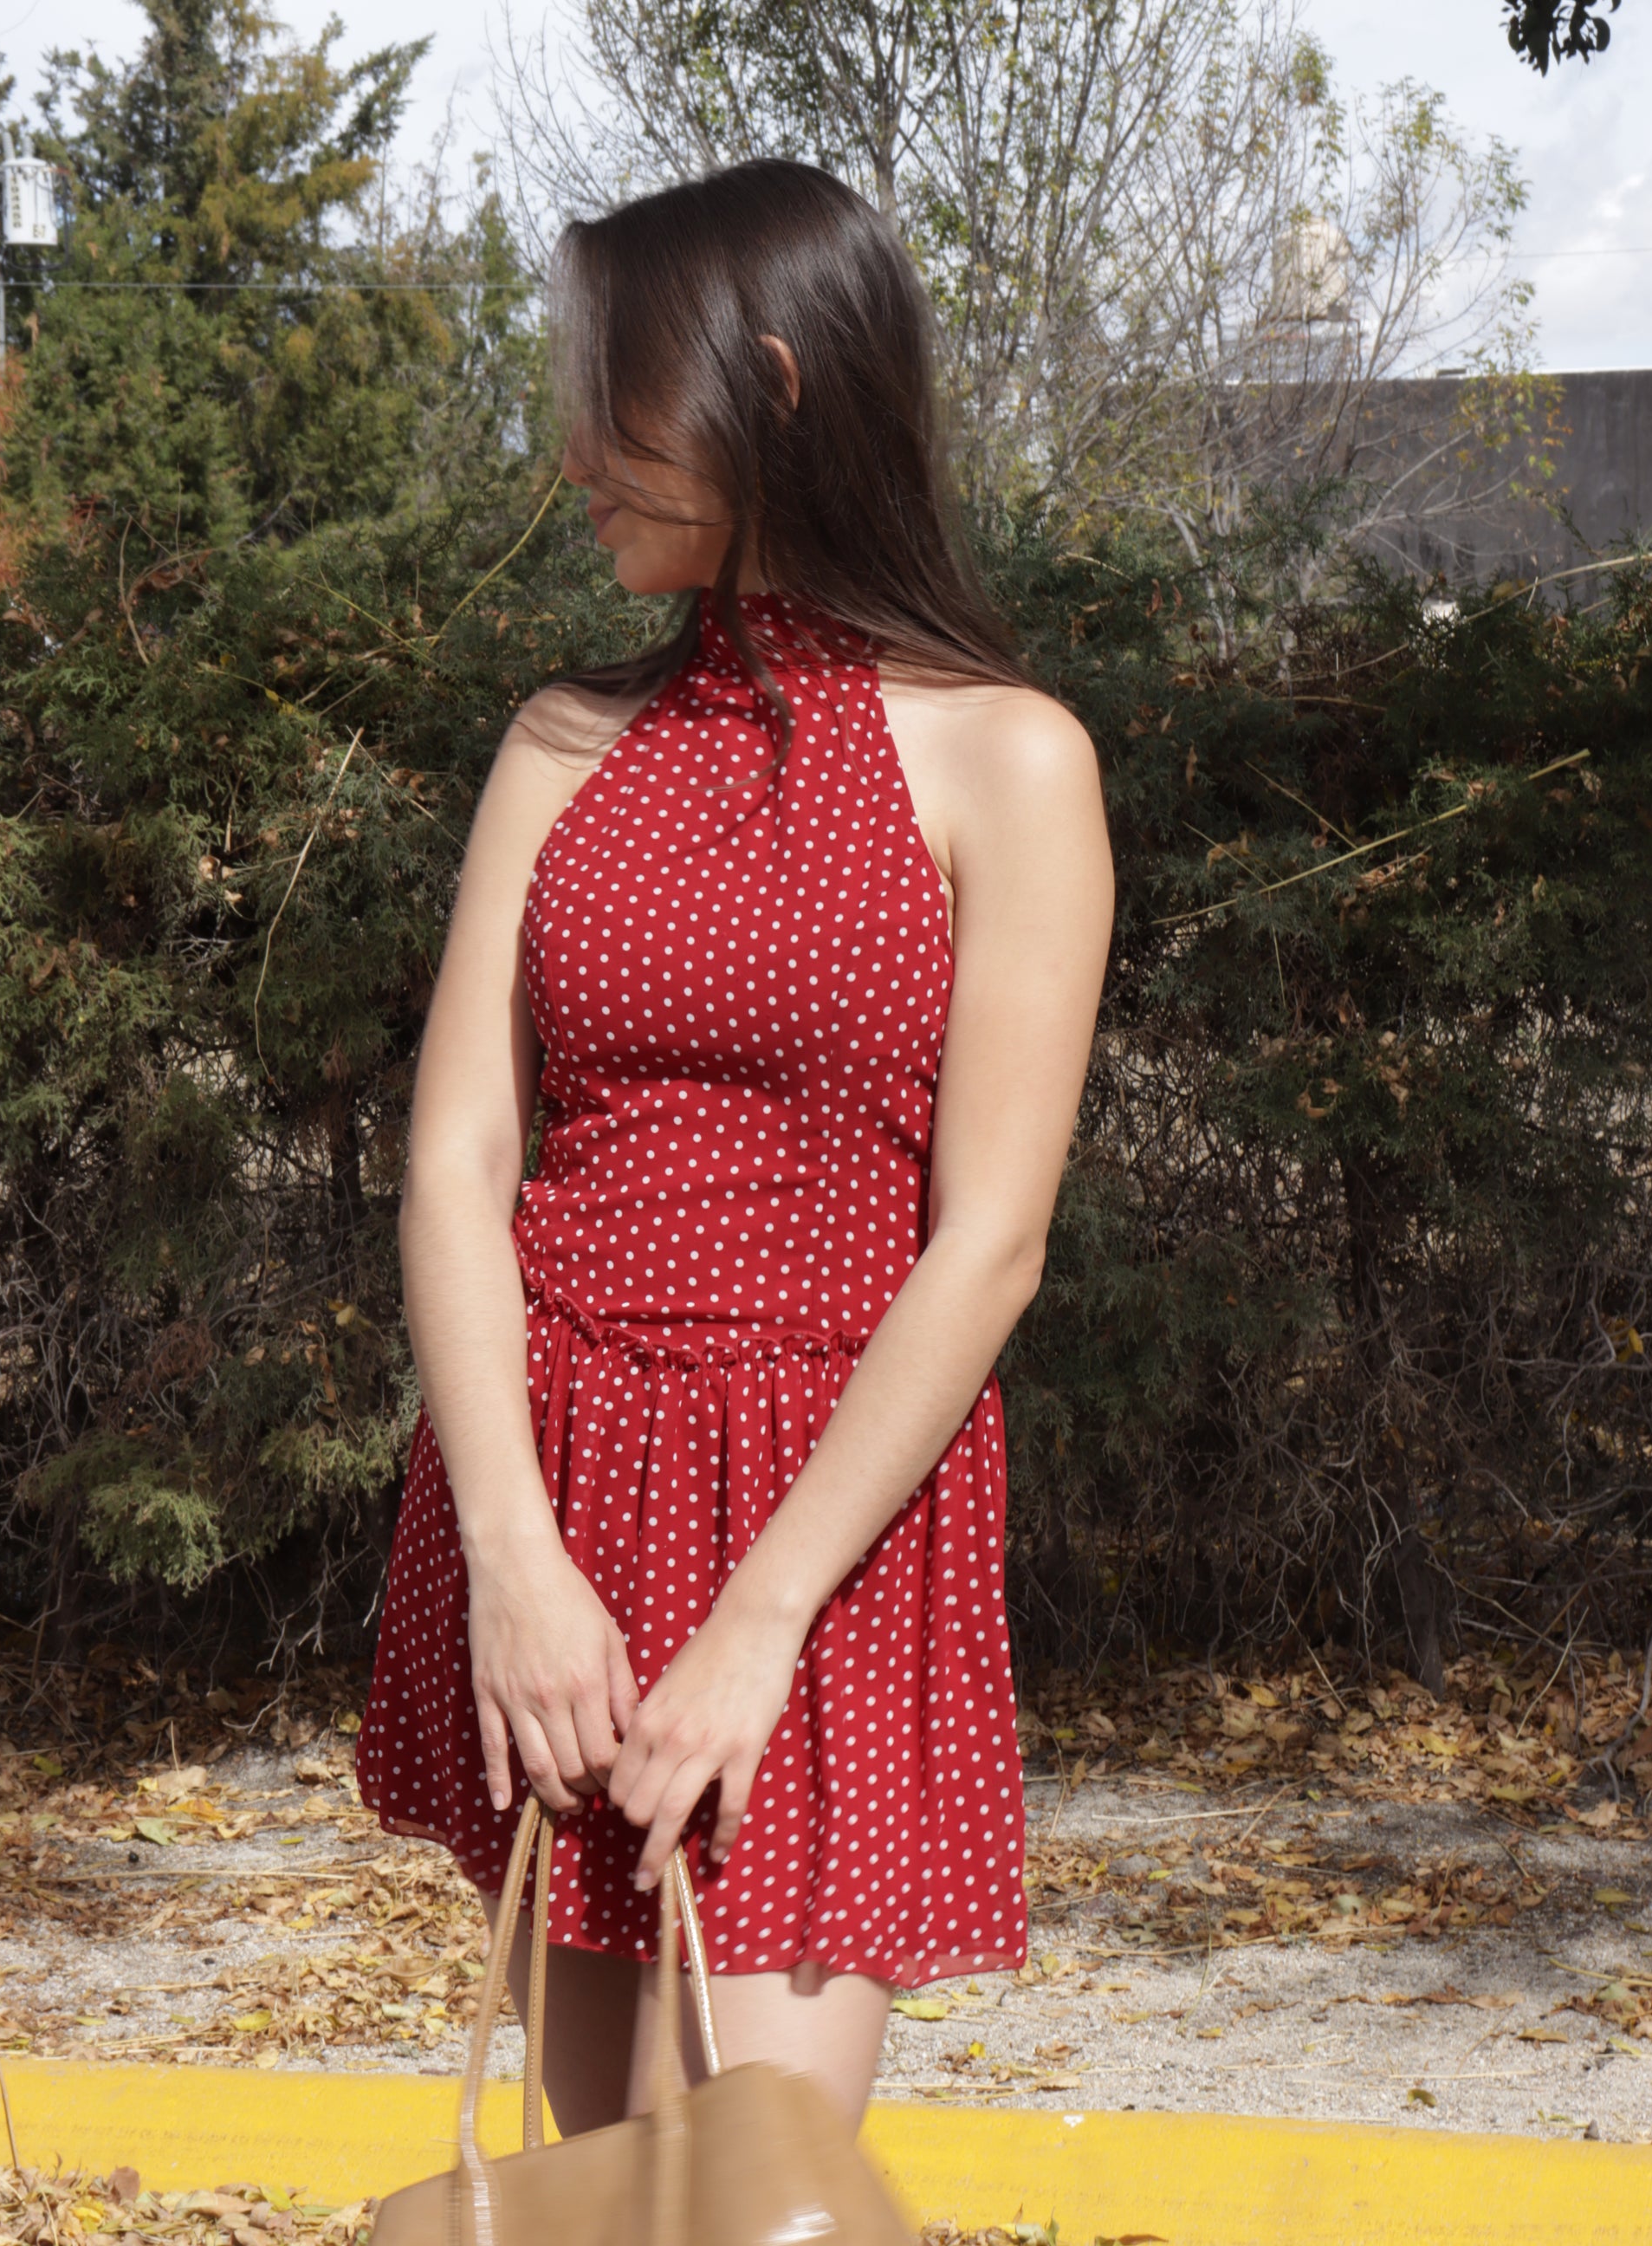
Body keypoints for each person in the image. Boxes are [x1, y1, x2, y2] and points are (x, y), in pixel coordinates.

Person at [355, 157, 1114, 2139]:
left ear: (766, 386)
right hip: (555, 1499)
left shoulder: (1007, 759)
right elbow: (456, 1165)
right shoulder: (562, 742)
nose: (572, 460)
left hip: (821, 1534)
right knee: (599, 2179)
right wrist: (514, 1561)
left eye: (611, 403)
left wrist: (763, 1620)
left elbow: (989, 1242)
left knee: (746, 2183)